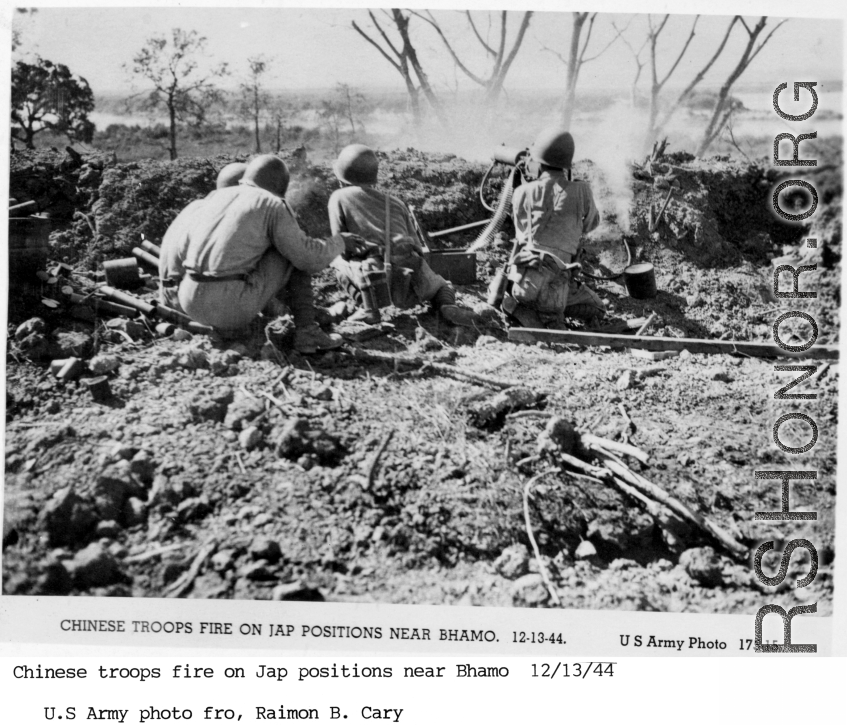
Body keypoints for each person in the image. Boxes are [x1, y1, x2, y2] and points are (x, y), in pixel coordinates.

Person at [165, 155, 361, 352]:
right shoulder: (272, 203)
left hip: (189, 300)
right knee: (291, 253)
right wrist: (340, 242)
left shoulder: (214, 198)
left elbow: (183, 250)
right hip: (230, 307)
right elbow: (307, 258)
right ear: (279, 185)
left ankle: (235, 326)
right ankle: (307, 332)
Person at [327, 144, 474, 326]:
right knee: (444, 286)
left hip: (374, 280)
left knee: (336, 262)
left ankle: (367, 308)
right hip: (411, 279)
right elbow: (419, 249)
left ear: (342, 176)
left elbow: (340, 244)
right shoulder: (396, 203)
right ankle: (446, 306)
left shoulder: (338, 197)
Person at [504, 128, 605, 328]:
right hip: (556, 287)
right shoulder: (582, 191)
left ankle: (524, 310)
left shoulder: (521, 192)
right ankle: (548, 315)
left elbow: (521, 232)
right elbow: (591, 224)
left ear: (539, 161)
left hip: (524, 284)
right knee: (598, 308)